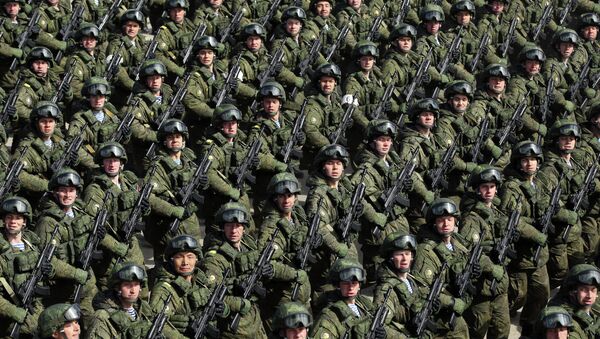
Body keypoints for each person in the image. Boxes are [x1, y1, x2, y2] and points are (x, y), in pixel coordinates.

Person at [412, 198, 471, 338]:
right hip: (438, 314)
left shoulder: (458, 243)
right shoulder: (425, 251)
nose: (446, 224)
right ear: (434, 223)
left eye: (449, 219)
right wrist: (450, 302)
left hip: (458, 304)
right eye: (441, 220)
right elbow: (421, 290)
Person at [85, 263, 184, 338]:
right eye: (127, 285)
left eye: (136, 284)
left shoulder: (144, 311)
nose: (133, 290)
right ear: (117, 287)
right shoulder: (103, 317)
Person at [310, 258, 386, 338]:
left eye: (354, 283)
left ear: (359, 285)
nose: (350, 287)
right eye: (346, 283)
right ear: (338, 285)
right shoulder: (330, 315)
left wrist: (384, 333)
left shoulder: (364, 306)